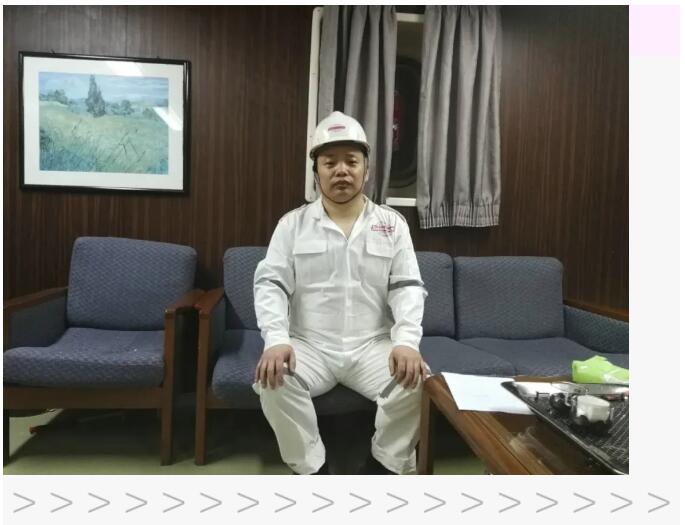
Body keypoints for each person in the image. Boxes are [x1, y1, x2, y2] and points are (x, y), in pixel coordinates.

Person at [252, 111, 427, 475]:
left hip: (372, 345)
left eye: (351, 161)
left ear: (367, 169)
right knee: (272, 380)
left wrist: (407, 342)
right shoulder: (292, 224)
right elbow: (271, 284)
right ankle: (312, 468)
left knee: (419, 381)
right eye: (330, 163)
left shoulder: (392, 225)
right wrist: (276, 340)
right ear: (316, 172)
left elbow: (408, 287)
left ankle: (384, 465)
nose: (341, 171)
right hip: (310, 345)